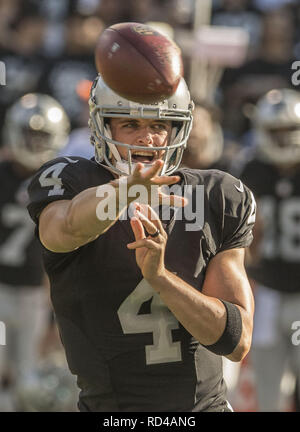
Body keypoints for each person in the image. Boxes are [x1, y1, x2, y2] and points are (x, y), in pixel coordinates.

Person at [27, 64, 256, 411]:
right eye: (131, 124)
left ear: (177, 129)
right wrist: (125, 193)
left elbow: (236, 341)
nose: (146, 138)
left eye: (158, 125)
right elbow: (65, 230)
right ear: (102, 125)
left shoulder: (216, 194)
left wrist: (161, 279)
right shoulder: (71, 180)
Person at [0, 92, 70, 410]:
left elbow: (58, 252)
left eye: (41, 136)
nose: (33, 142)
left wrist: (54, 312)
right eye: (29, 134)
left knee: (30, 376)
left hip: (32, 297)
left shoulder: (58, 181)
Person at [237, 88, 300, 411]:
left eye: (289, 130)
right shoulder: (253, 170)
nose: (283, 139)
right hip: (267, 292)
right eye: (276, 132)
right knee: (268, 391)